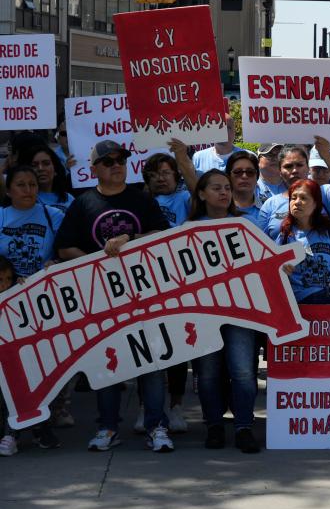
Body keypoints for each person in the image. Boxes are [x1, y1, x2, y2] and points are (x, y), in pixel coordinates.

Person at [54, 140, 173, 452]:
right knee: (107, 366)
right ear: (93, 169)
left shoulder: (141, 199)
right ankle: (107, 428)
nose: (116, 165)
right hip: (101, 301)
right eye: (108, 162)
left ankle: (157, 426)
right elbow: (64, 247)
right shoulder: (82, 204)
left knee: (152, 364)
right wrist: (97, 264)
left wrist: (129, 238)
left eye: (121, 159)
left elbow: (163, 236)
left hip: (144, 295)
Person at [186, 169, 262, 453]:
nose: (224, 192)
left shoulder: (248, 224)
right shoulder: (188, 228)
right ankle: (214, 425)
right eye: (216, 187)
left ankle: (244, 426)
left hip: (241, 312)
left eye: (227, 188)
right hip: (204, 314)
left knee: (242, 371)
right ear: (202, 194)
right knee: (207, 374)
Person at [135, 142, 198, 435]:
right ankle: (146, 407)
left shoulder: (185, 199)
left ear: (176, 175)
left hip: (178, 284)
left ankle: (174, 406)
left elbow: (199, 189)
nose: (161, 178)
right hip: (144, 286)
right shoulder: (137, 201)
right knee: (145, 350)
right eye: (154, 173)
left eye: (166, 172)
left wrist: (182, 158)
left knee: (176, 350)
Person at [0, 166, 65, 453]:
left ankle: (41, 425)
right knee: (9, 369)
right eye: (20, 185)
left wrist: (56, 264)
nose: (28, 190)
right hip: (6, 306)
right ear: (8, 190)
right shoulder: (0, 217)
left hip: (41, 304)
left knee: (42, 366)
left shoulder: (54, 216)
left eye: (32, 185)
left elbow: (67, 252)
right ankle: (11, 430)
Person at [278, 178, 330, 306]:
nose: (297, 202)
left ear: (316, 204)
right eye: (293, 198)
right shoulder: (285, 235)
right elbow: (275, 276)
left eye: (304, 198)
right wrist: (282, 270)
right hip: (301, 306)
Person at [257, 140, 330, 239]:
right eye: (288, 166)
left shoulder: (324, 194)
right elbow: (259, 244)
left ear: (308, 168)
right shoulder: (270, 205)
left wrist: (327, 156)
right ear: (280, 171)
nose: (295, 170)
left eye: (299, 165)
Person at [0, 255, 19, 456]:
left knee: (10, 399)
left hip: (10, 360)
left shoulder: (15, 293)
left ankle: (11, 436)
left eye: (8, 279)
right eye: (0, 280)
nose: (5, 285)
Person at [20, 144, 74, 212]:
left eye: (46, 163)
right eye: (34, 165)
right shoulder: (22, 199)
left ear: (55, 169)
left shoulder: (69, 199)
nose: (40, 168)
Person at [226, 151, 263, 223]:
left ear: (257, 176)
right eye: (238, 172)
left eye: (250, 172)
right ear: (228, 176)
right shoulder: (218, 209)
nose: (244, 176)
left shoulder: (268, 207)